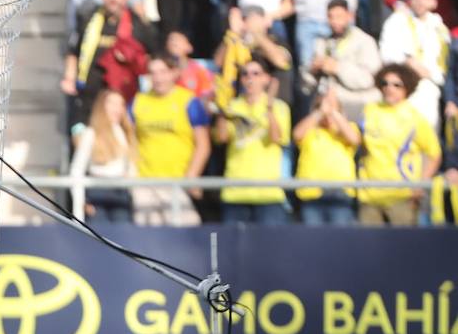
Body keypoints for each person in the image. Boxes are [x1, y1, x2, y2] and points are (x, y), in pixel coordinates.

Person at [62, 0, 157, 128]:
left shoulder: (138, 24)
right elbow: (74, 52)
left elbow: (153, 58)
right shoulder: (89, 19)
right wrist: (69, 77)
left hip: (122, 100)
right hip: (88, 97)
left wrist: (132, 59)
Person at [130, 54, 210, 226]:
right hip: (144, 182)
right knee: (147, 241)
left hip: (177, 182)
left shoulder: (188, 101)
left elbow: (203, 144)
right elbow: (130, 140)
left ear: (174, 73)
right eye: (153, 73)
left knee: (185, 238)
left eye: (163, 72)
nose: (158, 78)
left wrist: (192, 176)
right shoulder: (139, 101)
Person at [357, 63, 441, 226]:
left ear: (407, 88)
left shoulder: (415, 117)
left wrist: (421, 184)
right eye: (385, 83)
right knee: (367, 250)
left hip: (402, 197)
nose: (389, 88)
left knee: (404, 250)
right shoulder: (369, 110)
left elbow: (434, 153)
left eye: (397, 84)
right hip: (369, 195)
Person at [215, 56, 291, 224]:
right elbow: (221, 137)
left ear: (267, 78)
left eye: (256, 74)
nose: (250, 78)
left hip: (267, 194)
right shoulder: (232, 106)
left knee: (271, 249)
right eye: (245, 74)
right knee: (233, 250)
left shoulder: (279, 107)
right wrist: (221, 110)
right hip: (235, 192)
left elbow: (277, 138)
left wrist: (269, 108)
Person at [379, 0, 449, 130]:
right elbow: (386, 53)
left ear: (433, 2)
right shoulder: (397, 21)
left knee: (427, 139)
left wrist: (430, 73)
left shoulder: (440, 27)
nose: (420, 1)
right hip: (402, 87)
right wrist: (406, 63)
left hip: (429, 88)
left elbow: (446, 62)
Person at [300, 0, 381, 123]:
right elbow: (306, 87)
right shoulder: (322, 43)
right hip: (327, 110)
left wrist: (337, 67)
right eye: (330, 17)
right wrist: (312, 71)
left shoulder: (365, 41)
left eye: (339, 16)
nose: (334, 21)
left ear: (350, 16)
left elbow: (368, 80)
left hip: (355, 108)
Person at [69, 89, 137, 223]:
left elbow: (131, 165)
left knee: (123, 235)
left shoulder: (125, 133)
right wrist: (80, 203)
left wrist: (130, 178)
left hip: (120, 192)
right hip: (97, 192)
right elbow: (77, 170)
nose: (117, 109)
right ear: (102, 106)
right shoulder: (91, 134)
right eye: (112, 103)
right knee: (98, 236)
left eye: (120, 104)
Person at [294, 88, 360, 225]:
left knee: (340, 241)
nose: (327, 110)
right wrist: (319, 112)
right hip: (311, 193)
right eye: (323, 105)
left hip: (340, 193)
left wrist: (334, 112)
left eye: (331, 106)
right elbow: (297, 135)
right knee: (313, 241)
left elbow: (354, 139)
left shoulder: (349, 127)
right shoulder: (310, 130)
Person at [214, 5, 293, 107]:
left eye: (252, 19)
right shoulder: (234, 41)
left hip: (271, 108)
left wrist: (256, 33)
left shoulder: (276, 41)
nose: (247, 23)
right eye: (244, 19)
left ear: (266, 21)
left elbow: (282, 61)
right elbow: (217, 63)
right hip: (242, 108)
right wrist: (232, 34)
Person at [165, 30, 215, 104]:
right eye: (171, 39)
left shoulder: (198, 70)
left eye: (178, 40)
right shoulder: (160, 69)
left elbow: (208, 93)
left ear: (189, 47)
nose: (173, 42)